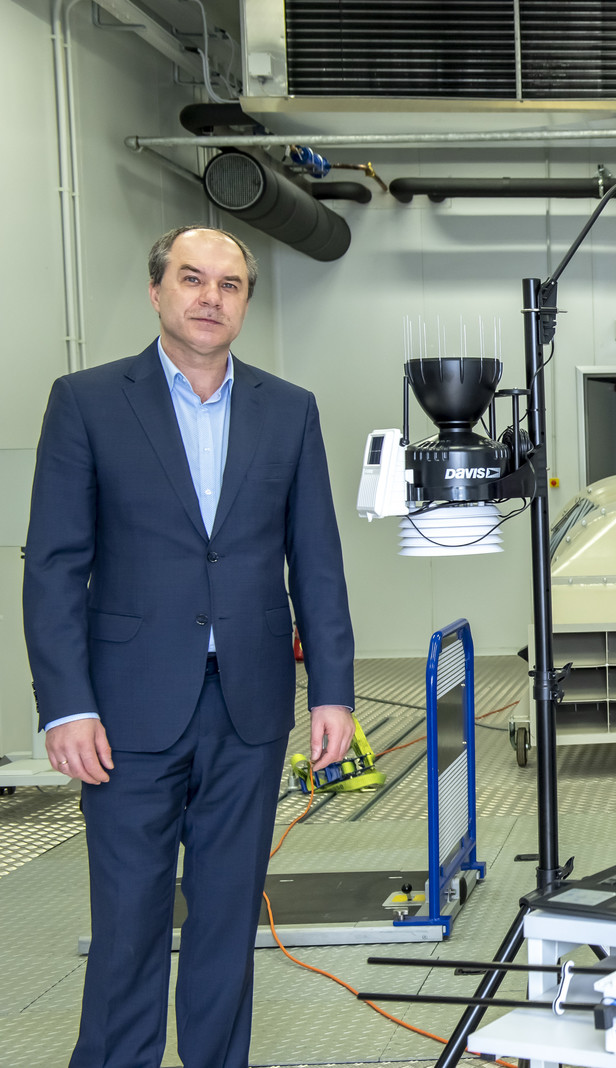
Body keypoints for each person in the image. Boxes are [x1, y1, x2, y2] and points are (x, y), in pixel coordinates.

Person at [24, 225, 357, 1068]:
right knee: (128, 920)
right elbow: (55, 565)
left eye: (229, 284)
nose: (211, 297)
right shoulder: (88, 401)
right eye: (192, 278)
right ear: (156, 291)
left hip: (248, 709)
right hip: (126, 710)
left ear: (246, 302)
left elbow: (317, 561)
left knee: (225, 921)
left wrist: (333, 691)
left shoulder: (290, 409)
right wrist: (66, 704)